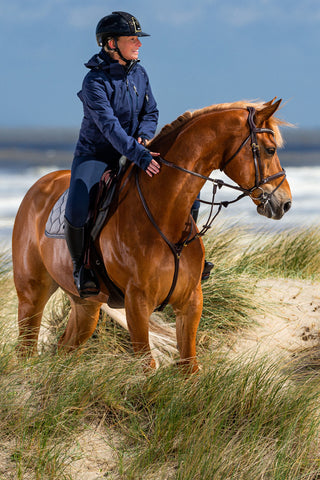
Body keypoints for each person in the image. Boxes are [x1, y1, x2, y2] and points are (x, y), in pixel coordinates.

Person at [64, 11, 160, 297]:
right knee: (78, 208)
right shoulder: (93, 82)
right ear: (110, 44)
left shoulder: (139, 72)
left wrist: (144, 133)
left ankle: (186, 252)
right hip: (96, 155)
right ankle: (82, 268)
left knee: (178, 185)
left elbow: (151, 111)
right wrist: (140, 155)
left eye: (138, 39)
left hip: (133, 149)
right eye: (132, 39)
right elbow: (109, 128)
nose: (138, 44)